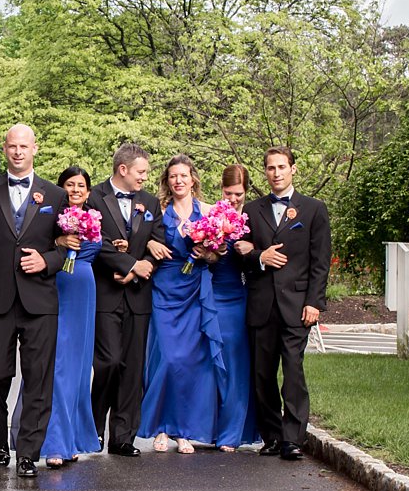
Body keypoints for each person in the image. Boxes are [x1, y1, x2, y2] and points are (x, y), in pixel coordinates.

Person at [0, 123, 68, 478]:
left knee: (38, 378)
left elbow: (67, 248)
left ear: (35, 149)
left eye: (24, 146)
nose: (18, 152)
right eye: (12, 146)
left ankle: (28, 452)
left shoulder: (55, 194)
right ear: (4, 149)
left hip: (40, 301)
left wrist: (47, 261)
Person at [242, 146, 331, 462]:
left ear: (293, 169)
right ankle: (271, 436)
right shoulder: (252, 210)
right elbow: (241, 255)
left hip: (296, 306)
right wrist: (259, 257)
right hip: (262, 304)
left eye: (281, 166)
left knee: (293, 371)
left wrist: (314, 302)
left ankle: (293, 439)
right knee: (262, 374)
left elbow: (320, 262)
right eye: (270, 168)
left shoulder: (314, 209)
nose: (276, 173)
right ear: (265, 172)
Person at [140, 155, 228, 454]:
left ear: (193, 180)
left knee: (192, 362)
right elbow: (143, 241)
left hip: (195, 291)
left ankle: (183, 431)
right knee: (166, 358)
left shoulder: (209, 212)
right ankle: (161, 427)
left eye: (184, 176)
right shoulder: (158, 211)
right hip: (165, 289)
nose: (178, 181)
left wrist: (207, 254)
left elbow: (218, 257)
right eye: (173, 176)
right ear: (167, 181)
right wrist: (150, 244)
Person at [85, 143, 168, 456]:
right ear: (123, 169)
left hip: (137, 295)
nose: (145, 177)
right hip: (105, 293)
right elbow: (93, 240)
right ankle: (93, 429)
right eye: (141, 171)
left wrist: (138, 270)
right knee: (108, 362)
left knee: (132, 368)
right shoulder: (93, 197)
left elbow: (158, 243)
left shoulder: (149, 202)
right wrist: (127, 265)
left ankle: (123, 437)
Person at [19, 166, 103, 467]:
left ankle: (73, 438)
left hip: (84, 290)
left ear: (89, 191)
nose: (76, 190)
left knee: (79, 372)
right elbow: (38, 248)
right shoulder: (49, 214)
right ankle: (52, 442)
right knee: (56, 367)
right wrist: (59, 242)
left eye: (81, 185)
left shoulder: (95, 217)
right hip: (56, 287)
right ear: (61, 188)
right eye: (70, 184)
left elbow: (101, 253)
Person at [210, 164, 260, 451]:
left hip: (239, 295)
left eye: (238, 194)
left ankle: (232, 432)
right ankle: (213, 427)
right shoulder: (211, 216)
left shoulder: (253, 217)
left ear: (246, 191)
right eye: (228, 193)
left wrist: (249, 250)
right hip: (213, 294)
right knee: (213, 364)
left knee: (238, 363)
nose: (232, 199)